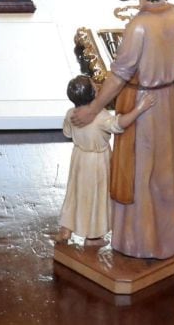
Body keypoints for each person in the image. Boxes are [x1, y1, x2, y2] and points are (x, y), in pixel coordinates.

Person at [72, 0, 174, 259]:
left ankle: (139, 242)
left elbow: (118, 74)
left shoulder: (138, 26)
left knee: (139, 173)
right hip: (168, 100)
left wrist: (94, 108)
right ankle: (165, 241)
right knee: (164, 172)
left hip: (141, 103)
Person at [56, 74, 155, 246]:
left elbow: (67, 133)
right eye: (94, 86)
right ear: (93, 94)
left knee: (75, 193)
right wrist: (139, 108)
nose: (98, 87)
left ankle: (67, 228)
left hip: (79, 158)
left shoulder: (71, 114)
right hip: (97, 162)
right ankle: (93, 237)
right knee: (96, 196)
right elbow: (120, 124)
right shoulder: (100, 117)